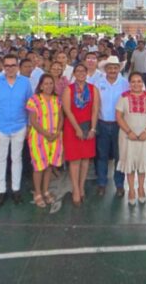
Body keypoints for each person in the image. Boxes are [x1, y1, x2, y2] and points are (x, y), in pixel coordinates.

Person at [0, 54, 32, 207]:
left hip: (20, 127)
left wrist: (28, 126)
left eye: (13, 65)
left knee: (17, 159)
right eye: (7, 66)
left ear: (17, 66)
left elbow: (30, 106)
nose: (10, 68)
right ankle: (1, 191)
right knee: (0, 159)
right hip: (1, 128)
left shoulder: (25, 83)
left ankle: (16, 189)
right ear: (3, 67)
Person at [115, 73, 146, 205]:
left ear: (143, 83)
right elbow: (118, 116)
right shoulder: (123, 97)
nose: (136, 84)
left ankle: (141, 188)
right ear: (129, 83)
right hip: (127, 136)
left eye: (139, 81)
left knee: (142, 162)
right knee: (129, 163)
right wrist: (129, 131)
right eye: (133, 81)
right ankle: (131, 190)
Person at [62, 64, 99, 206]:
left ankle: (82, 185)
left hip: (88, 126)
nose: (81, 73)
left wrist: (93, 129)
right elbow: (67, 110)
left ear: (87, 72)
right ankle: (75, 189)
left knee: (85, 160)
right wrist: (77, 128)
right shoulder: (68, 89)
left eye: (83, 71)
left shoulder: (93, 89)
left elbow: (95, 109)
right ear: (74, 73)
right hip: (73, 128)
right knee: (75, 160)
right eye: (78, 71)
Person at [26, 74, 64, 208]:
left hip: (54, 138)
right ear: (41, 86)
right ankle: (37, 193)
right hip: (39, 138)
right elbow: (33, 121)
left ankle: (45, 190)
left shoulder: (56, 100)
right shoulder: (34, 100)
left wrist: (57, 132)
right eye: (45, 84)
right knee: (39, 167)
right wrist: (46, 134)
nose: (48, 86)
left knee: (49, 165)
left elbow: (61, 118)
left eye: (51, 83)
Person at [94, 56, 129, 197]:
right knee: (102, 156)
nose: (113, 70)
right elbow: (95, 105)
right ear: (106, 69)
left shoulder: (125, 83)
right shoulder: (98, 82)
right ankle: (102, 184)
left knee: (119, 156)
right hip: (102, 123)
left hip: (119, 125)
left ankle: (119, 184)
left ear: (119, 69)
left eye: (115, 67)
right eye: (110, 68)